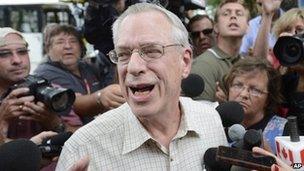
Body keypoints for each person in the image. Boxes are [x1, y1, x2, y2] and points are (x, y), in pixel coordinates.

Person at [56, 3, 227, 170]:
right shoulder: (81, 149)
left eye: (151, 51)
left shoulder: (210, 121)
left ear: (185, 61)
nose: (133, 67)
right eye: (123, 54)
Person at [34, 24, 125, 127]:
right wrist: (100, 97)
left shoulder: (87, 66)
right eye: (60, 42)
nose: (68, 46)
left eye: (73, 41)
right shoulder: (46, 73)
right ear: (48, 49)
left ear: (81, 47)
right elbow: (73, 104)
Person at [0, 27, 63, 142]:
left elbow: (77, 138)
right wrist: (2, 120)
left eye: (22, 52)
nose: (17, 60)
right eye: (4, 54)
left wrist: (54, 122)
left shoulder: (45, 90)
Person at [221, 57, 288, 154]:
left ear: (268, 99)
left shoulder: (282, 130)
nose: (244, 94)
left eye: (255, 90)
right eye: (238, 85)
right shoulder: (214, 122)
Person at [190, 0, 249, 102]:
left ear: (248, 27)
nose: (233, 17)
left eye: (239, 14)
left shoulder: (246, 64)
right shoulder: (204, 64)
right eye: (226, 14)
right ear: (216, 27)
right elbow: (200, 115)